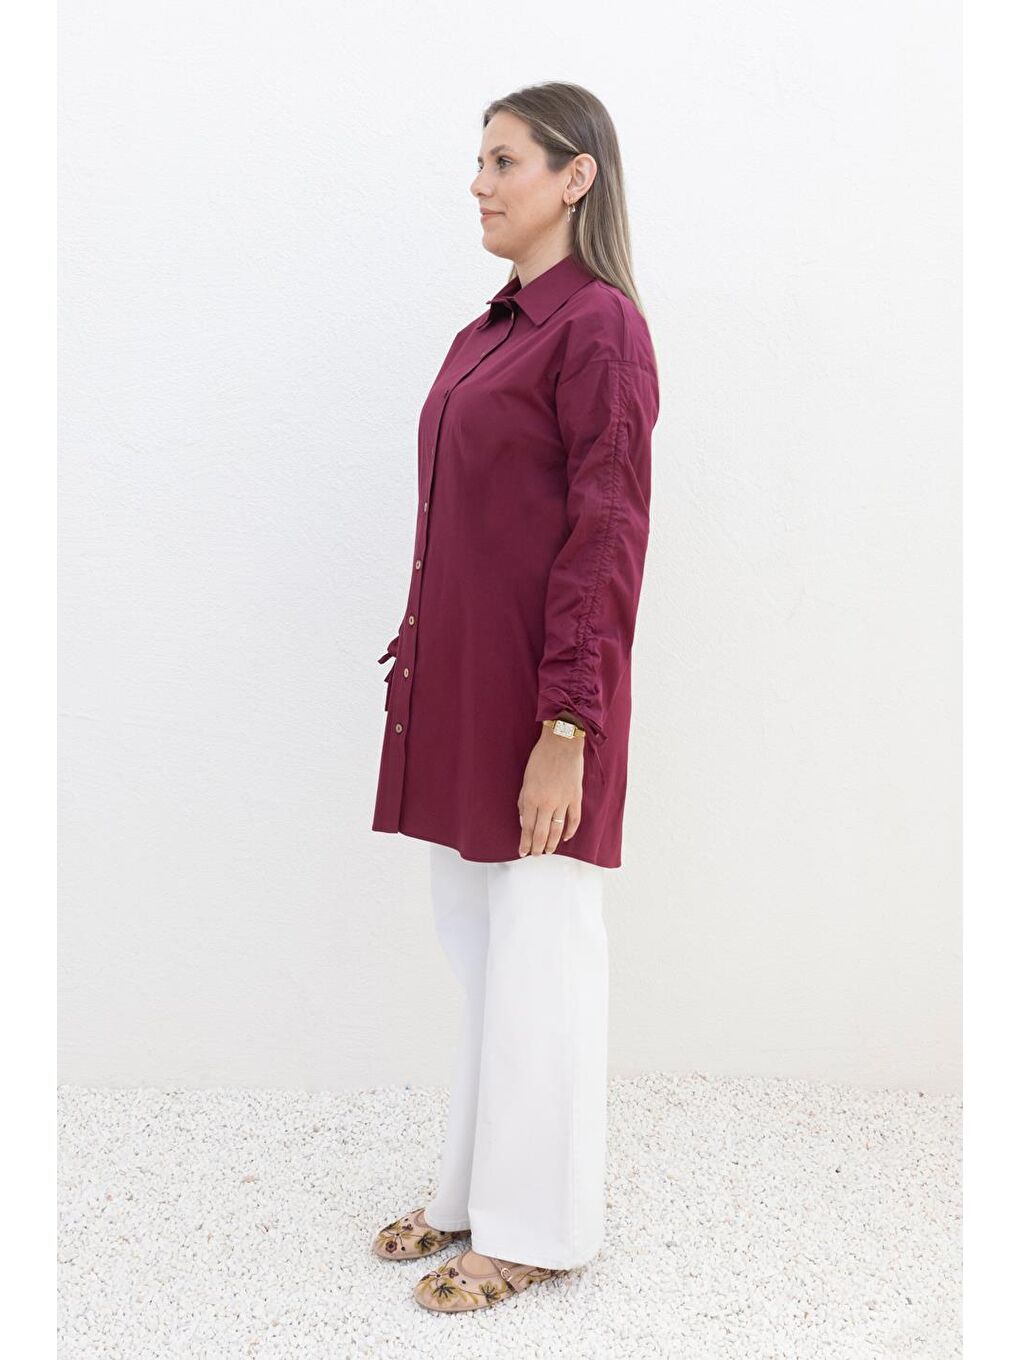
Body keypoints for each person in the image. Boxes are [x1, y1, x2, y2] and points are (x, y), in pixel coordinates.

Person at [369, 81, 660, 1313]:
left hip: (543, 707)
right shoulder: (489, 330)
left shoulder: (599, 327)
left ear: (575, 175)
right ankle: (474, 1191)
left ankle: (538, 1228)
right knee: (482, 954)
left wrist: (568, 726)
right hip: (464, 691)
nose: (480, 183)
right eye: (478, 161)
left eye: (505, 161)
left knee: (544, 955)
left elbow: (607, 532)